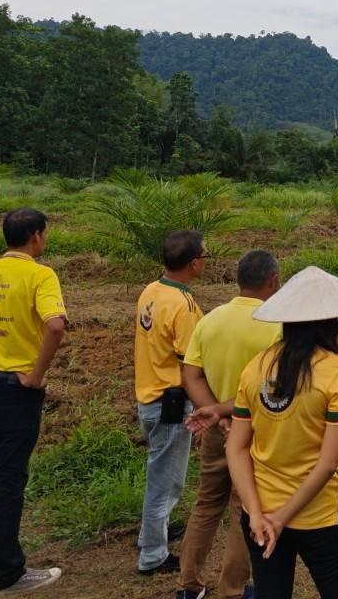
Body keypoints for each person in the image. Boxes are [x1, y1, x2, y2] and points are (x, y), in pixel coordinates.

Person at [227, 266, 338, 599]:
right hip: (318, 516)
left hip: (259, 516)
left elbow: (236, 448)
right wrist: (282, 518)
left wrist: (258, 513)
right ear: (334, 320)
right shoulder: (337, 372)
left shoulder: (256, 367)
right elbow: (327, 462)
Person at [0, 208, 67, 594]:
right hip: (18, 389)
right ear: (37, 236)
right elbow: (55, 325)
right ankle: (10, 572)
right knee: (9, 478)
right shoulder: (41, 275)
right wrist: (37, 375)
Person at [177, 250, 284, 599]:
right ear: (273, 282)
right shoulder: (276, 325)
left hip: (216, 432)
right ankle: (233, 590)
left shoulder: (210, 320)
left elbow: (190, 374)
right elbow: (271, 387)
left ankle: (189, 585)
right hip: (255, 432)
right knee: (246, 507)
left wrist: (214, 413)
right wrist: (229, 414)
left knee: (207, 503)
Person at [135, 230, 206, 575]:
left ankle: (155, 531)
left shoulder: (152, 290)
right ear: (194, 264)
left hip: (148, 396)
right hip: (171, 402)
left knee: (161, 474)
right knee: (166, 481)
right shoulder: (185, 305)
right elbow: (191, 364)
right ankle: (152, 555)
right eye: (205, 256)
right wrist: (205, 408)